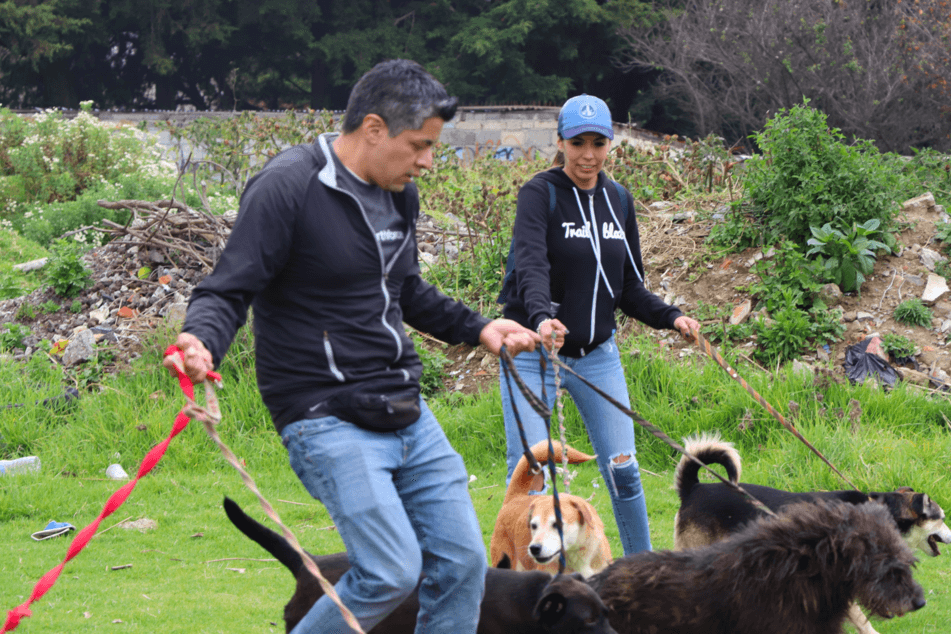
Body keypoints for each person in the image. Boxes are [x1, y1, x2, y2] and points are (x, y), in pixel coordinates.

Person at [163, 59, 539, 634]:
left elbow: (405, 289)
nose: (427, 162)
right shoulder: (287, 187)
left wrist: (480, 328)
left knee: (464, 564)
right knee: (389, 570)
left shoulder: (399, 197)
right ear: (372, 128)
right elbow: (229, 287)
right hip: (323, 413)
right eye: (419, 145)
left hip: (403, 406)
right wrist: (200, 339)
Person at [497, 93, 700, 556]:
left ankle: (642, 574)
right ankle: (527, 589)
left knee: (624, 470)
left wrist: (672, 317)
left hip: (597, 357)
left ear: (611, 142)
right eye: (577, 142)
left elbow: (628, 287)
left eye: (598, 142)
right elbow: (530, 266)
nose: (588, 154)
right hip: (533, 354)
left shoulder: (618, 201)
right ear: (561, 142)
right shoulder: (540, 194)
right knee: (530, 472)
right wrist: (543, 318)